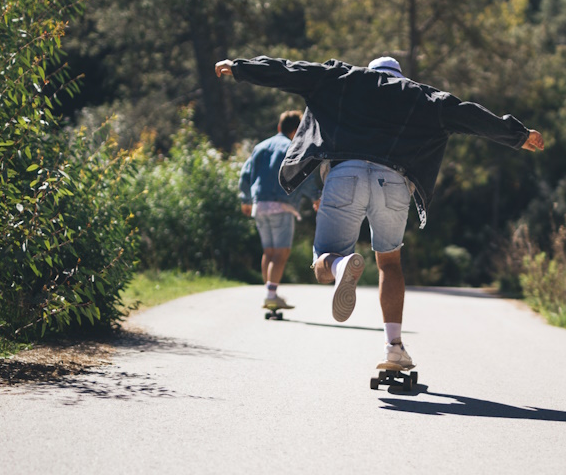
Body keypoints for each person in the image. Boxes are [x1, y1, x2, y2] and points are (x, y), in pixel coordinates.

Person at [216, 54, 544, 370]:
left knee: (323, 264)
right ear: (400, 76)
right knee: (389, 262)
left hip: (345, 175)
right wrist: (517, 136)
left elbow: (291, 72)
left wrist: (242, 68)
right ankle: (394, 347)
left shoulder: (343, 78)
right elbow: (469, 115)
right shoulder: (422, 96)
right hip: (395, 181)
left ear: (371, 70)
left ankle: (342, 263)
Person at [239, 110, 320, 313]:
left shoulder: (260, 147)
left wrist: (245, 199)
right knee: (281, 253)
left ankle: (270, 294)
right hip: (281, 206)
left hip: (259, 206)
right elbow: (303, 176)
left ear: (279, 127)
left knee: (269, 252)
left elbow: (245, 173)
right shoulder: (292, 147)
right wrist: (315, 197)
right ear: (297, 131)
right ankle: (271, 295)